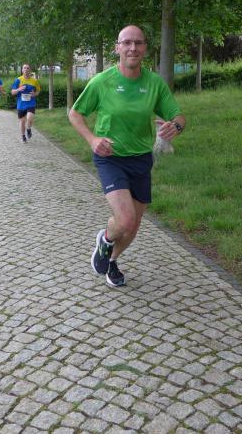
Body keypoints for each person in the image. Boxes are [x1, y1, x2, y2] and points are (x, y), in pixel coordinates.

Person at [68, 25, 186, 288]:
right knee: (126, 219)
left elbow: (178, 116)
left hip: (141, 158)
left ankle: (111, 259)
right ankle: (105, 239)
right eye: (127, 43)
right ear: (117, 47)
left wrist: (175, 127)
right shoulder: (102, 81)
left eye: (138, 43)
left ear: (145, 48)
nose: (133, 48)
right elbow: (75, 114)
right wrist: (93, 140)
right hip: (110, 156)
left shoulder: (154, 83)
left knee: (134, 224)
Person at [10, 64, 41, 143]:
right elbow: (12, 92)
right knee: (22, 121)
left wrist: (34, 94)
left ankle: (29, 128)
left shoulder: (34, 80)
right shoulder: (18, 80)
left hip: (31, 103)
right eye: (24, 68)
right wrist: (19, 89)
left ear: (30, 70)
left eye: (28, 68)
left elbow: (38, 91)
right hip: (21, 104)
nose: (26, 69)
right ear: (22, 70)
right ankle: (23, 136)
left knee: (30, 118)